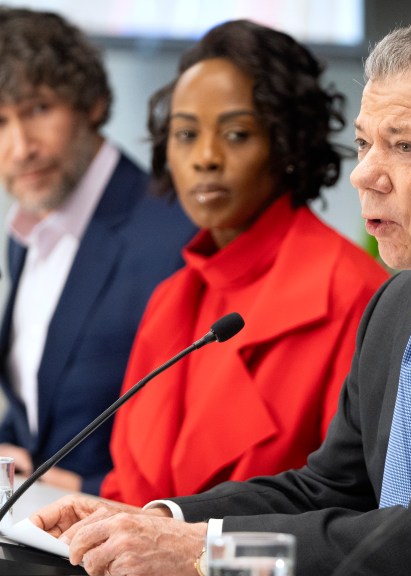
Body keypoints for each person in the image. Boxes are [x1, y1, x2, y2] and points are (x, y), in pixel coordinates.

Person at [31, 16, 411, 576]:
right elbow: (328, 487)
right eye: (363, 143)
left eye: (404, 146)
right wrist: (163, 519)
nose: (364, 174)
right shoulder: (401, 300)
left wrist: (204, 553)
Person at [98, 20, 388, 506]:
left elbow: (354, 506)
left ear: (288, 144)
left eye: (235, 134)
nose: (205, 157)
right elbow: (124, 490)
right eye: (185, 134)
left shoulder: (354, 295)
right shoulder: (170, 301)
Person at [0, 8, 197, 494]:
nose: (21, 146)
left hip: (135, 541)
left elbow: (205, 442)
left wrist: (89, 489)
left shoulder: (176, 231)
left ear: (91, 103)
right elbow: (39, 413)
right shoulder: (26, 234)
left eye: (39, 109)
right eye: (0, 122)